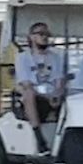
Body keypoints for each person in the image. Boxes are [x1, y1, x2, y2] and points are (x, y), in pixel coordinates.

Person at [14, 21, 68, 152]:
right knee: (28, 93)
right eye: (41, 34)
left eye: (47, 34)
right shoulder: (23, 58)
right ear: (32, 37)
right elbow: (26, 83)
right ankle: (39, 138)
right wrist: (46, 97)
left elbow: (59, 80)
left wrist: (57, 95)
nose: (45, 37)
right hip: (36, 96)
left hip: (52, 95)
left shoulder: (55, 57)